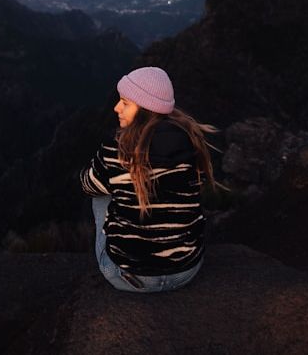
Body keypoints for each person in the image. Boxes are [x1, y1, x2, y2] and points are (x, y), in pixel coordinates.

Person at [80, 66, 217, 292]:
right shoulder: (190, 144)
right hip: (186, 272)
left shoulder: (116, 150)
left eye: (125, 102)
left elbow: (87, 186)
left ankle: (129, 250)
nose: (116, 108)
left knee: (101, 193)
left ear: (144, 109)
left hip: (129, 278)